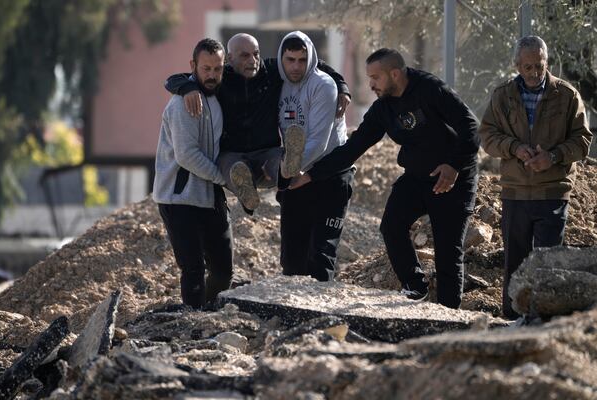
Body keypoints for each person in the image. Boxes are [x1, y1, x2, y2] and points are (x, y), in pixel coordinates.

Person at [292, 48, 480, 309]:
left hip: (454, 179)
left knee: (448, 252)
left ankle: (448, 318)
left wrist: (454, 165)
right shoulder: (383, 108)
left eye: (375, 78)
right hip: (416, 177)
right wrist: (311, 174)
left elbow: (470, 126)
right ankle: (415, 286)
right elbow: (353, 147)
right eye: (369, 78)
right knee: (391, 225)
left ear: (395, 74)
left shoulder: (430, 89)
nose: (370, 85)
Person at [164, 33, 351, 212]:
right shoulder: (221, 77)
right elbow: (174, 79)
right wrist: (187, 87)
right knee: (232, 167)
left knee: (279, 161)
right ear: (229, 59)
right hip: (232, 152)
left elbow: (313, 64)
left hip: (267, 150)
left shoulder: (271, 70)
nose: (252, 60)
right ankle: (247, 194)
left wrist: (341, 85)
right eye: (245, 55)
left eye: (256, 54)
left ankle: (288, 166)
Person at [478, 36, 592, 319]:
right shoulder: (502, 95)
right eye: (527, 67)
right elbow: (487, 136)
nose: (534, 72)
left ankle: (543, 319)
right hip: (515, 192)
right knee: (514, 261)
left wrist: (551, 157)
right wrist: (515, 148)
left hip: (552, 192)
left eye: (539, 66)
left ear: (547, 62)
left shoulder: (566, 95)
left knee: (548, 262)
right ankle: (511, 319)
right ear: (517, 65)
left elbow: (583, 141)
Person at [153, 38, 232, 309]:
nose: (211, 75)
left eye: (217, 69)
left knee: (223, 270)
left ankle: (208, 313)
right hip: (180, 199)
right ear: (193, 66)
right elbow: (186, 156)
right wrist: (224, 179)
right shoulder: (182, 104)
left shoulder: (220, 95)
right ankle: (193, 323)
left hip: (210, 196)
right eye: (206, 68)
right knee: (193, 269)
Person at [276, 31, 354, 282]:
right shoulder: (275, 82)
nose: (296, 66)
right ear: (281, 59)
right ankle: (293, 318)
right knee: (291, 260)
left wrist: (288, 173)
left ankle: (320, 318)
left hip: (329, 175)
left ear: (311, 59)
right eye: (290, 60)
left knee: (320, 256)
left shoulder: (323, 85)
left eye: (302, 60)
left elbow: (318, 143)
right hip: (295, 176)